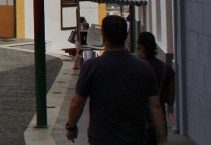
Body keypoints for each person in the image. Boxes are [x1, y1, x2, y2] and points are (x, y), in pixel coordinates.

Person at [65, 15, 167, 145]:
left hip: (102, 138)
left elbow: (77, 103)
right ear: (125, 36)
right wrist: (162, 140)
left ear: (104, 37)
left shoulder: (92, 66)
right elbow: (155, 106)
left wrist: (71, 127)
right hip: (135, 138)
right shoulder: (143, 67)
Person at [137, 31, 175, 144]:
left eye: (138, 48)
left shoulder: (135, 68)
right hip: (159, 122)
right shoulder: (167, 70)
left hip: (138, 119)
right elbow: (170, 99)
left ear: (143, 49)